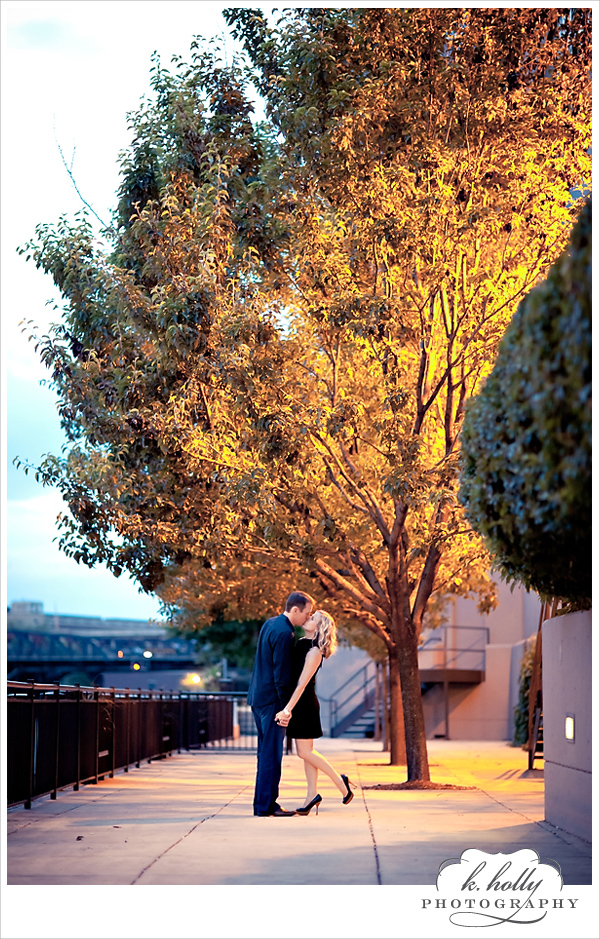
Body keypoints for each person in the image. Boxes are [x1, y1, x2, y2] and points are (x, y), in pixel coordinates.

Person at [275, 610, 355, 815]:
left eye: (313, 618)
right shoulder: (301, 642)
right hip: (298, 703)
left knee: (304, 752)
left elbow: (301, 684)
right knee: (307, 753)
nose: (308, 618)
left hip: (304, 705)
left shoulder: (314, 651)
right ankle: (312, 794)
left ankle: (341, 782)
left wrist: (287, 710)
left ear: (319, 627)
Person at [247, 590, 314, 816]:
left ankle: (262, 805)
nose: (307, 617)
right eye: (306, 613)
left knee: (265, 754)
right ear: (295, 609)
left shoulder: (270, 623)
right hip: (272, 703)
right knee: (272, 755)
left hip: (257, 697)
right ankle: (267, 806)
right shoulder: (286, 633)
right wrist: (286, 709)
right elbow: (281, 675)